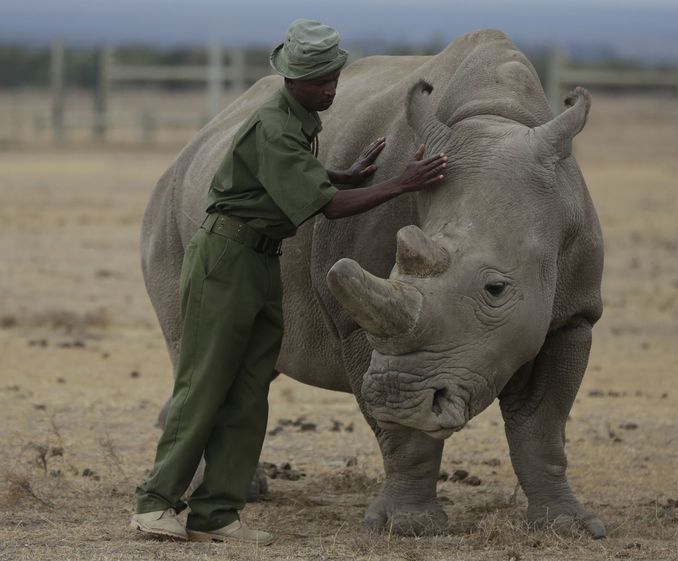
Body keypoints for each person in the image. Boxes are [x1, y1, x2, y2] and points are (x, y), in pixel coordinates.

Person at [130, 19, 447, 544]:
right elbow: (327, 209)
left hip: (261, 259)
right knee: (205, 385)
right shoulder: (275, 123)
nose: (331, 89)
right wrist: (401, 183)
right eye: (319, 81)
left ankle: (217, 514)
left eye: (334, 77)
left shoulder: (301, 117)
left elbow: (286, 179)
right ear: (290, 79)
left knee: (251, 390)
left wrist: (344, 174)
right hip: (225, 259)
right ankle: (154, 503)